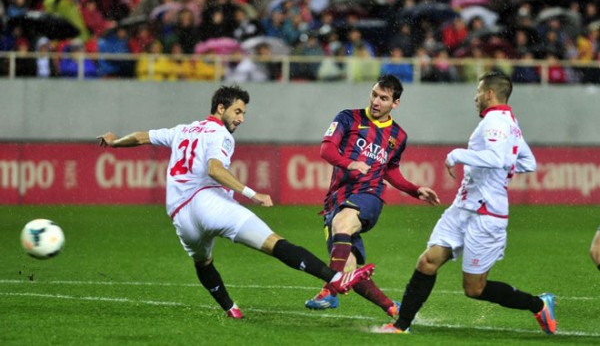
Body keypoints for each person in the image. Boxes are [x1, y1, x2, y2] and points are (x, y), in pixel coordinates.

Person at [97, 84, 375, 319]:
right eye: (238, 111)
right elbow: (214, 169)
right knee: (274, 243)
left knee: (203, 262)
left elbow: (142, 137)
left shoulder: (183, 130)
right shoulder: (220, 134)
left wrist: (114, 143)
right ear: (220, 108)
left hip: (180, 215)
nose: (241, 119)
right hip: (209, 203)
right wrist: (254, 194)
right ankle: (337, 279)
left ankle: (230, 308)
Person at [372, 71, 556, 334]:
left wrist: (458, 154)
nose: (475, 97)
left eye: (479, 92)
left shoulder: (497, 121)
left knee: (474, 289)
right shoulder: (510, 122)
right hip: (463, 207)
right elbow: (527, 162)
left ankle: (539, 304)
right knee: (428, 262)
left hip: (486, 214)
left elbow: (498, 158)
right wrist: (500, 164)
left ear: (490, 94)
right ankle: (401, 326)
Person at [305, 75, 440, 318]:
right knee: (348, 269)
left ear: (395, 103)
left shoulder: (398, 136)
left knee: (342, 224)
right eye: (374, 94)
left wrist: (413, 189)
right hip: (336, 200)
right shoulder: (348, 118)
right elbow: (326, 149)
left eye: (384, 98)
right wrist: (350, 163)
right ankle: (393, 307)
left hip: (369, 195)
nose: (376, 101)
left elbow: (390, 170)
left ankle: (329, 292)